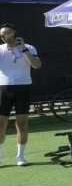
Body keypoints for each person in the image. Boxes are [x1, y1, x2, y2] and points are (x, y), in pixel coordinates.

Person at [0, 24, 42, 166]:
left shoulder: (29, 48)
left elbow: (37, 65)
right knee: (1, 124)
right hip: (3, 89)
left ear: (16, 34)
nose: (6, 38)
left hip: (23, 88)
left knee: (22, 124)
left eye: (9, 35)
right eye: (3, 36)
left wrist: (23, 49)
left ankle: (20, 157)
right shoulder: (0, 50)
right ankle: (0, 157)